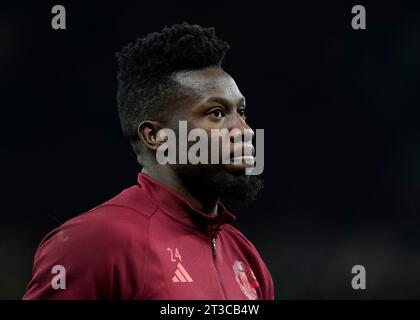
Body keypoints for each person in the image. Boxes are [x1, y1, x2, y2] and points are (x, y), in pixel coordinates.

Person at [23, 22, 274, 300]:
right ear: (155, 135)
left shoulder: (246, 259)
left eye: (242, 111)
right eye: (216, 113)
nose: (245, 131)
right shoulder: (94, 243)